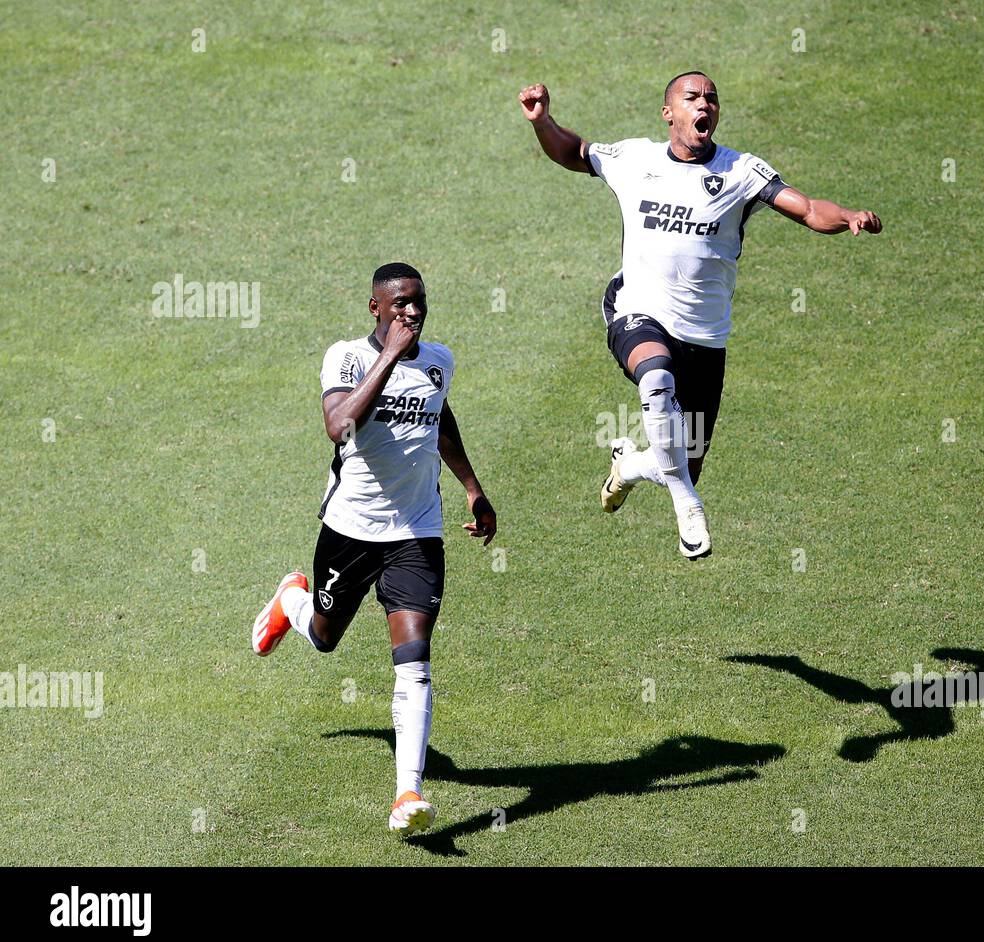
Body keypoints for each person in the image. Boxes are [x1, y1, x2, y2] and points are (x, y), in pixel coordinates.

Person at [520, 71, 881, 559]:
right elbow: (574, 151)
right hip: (637, 310)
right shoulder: (636, 160)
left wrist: (849, 218)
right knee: (655, 378)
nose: (703, 104)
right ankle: (687, 503)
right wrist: (543, 121)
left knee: (682, 457)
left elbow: (809, 207)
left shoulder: (742, 172)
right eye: (691, 97)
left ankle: (630, 467)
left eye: (711, 98)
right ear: (669, 113)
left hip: (706, 339)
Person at [250, 262, 497, 835]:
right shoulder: (348, 358)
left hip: (416, 530)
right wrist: (390, 356)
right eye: (402, 303)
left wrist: (472, 488)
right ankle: (291, 604)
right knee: (325, 637)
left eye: (420, 301)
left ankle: (407, 791)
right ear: (377, 309)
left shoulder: (439, 362)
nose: (413, 312)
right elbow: (339, 424)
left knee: (414, 655)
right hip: (350, 529)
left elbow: (440, 421)